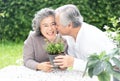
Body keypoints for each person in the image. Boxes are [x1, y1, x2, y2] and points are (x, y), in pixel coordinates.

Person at [54, 4, 116, 73]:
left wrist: (74, 63)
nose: (55, 27)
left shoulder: (92, 37)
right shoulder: (68, 36)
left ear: (69, 25)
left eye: (57, 24)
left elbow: (103, 66)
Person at [23, 8, 67, 72]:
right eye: (45, 26)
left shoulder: (63, 39)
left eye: (53, 24)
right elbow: (27, 60)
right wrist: (39, 66)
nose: (50, 28)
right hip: (35, 73)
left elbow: (65, 64)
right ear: (39, 27)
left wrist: (63, 65)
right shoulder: (32, 38)